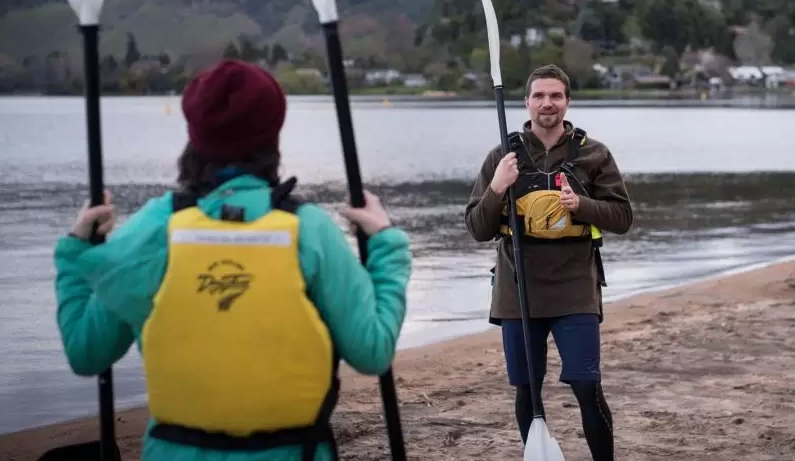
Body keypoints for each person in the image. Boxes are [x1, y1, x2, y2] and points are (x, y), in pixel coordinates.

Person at [53, 59, 413, 461]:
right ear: (273, 134)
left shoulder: (153, 229)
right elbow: (373, 351)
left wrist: (75, 252)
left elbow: (86, 352)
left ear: (194, 134)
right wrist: (385, 245)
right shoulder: (310, 231)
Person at [465, 63, 633, 461]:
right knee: (527, 389)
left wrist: (583, 205)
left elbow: (623, 218)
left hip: (574, 286)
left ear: (567, 102)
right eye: (539, 96)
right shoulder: (502, 157)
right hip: (517, 288)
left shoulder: (594, 154)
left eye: (555, 95)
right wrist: (496, 187)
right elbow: (477, 227)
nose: (547, 103)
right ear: (526, 103)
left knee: (587, 386)